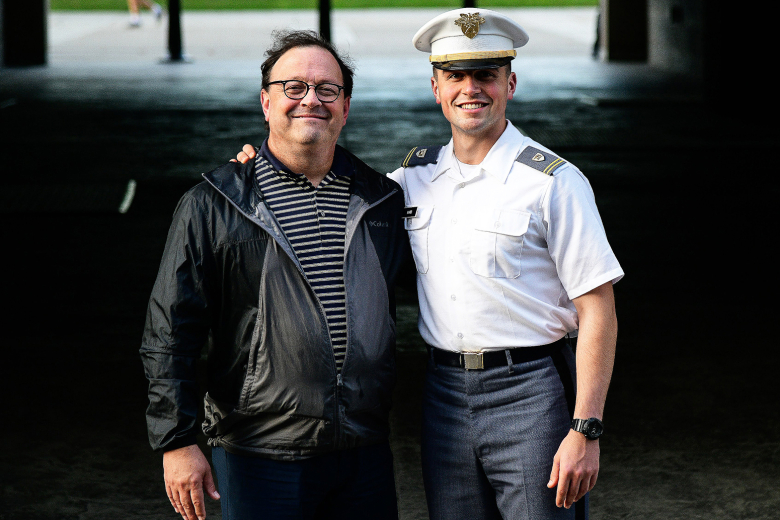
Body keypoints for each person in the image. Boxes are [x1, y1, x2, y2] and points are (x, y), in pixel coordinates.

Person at [235, 9, 623, 520]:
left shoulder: (553, 181)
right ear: (435, 86)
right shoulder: (411, 179)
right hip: (443, 394)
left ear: (510, 82)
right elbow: (330, 185)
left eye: (485, 75)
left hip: (530, 390)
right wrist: (267, 169)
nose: (471, 90)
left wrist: (585, 429)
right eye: (455, 76)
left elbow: (598, 309)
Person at [141, 30, 407, 520]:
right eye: (294, 87)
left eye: (327, 89)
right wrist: (175, 441)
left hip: (362, 454)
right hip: (257, 456)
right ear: (266, 102)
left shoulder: (382, 201)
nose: (312, 99)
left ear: (346, 106)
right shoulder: (215, 205)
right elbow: (169, 331)